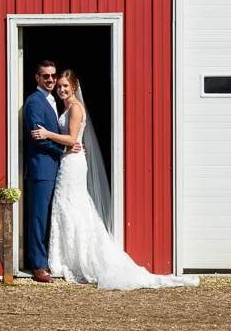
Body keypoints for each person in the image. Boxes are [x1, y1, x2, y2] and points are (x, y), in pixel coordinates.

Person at [31, 69, 200, 290]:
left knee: (72, 206)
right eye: (59, 86)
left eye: (65, 85)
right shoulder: (67, 107)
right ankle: (67, 258)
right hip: (69, 160)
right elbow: (73, 141)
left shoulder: (75, 108)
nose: (61, 89)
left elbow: (72, 139)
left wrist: (48, 134)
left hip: (72, 163)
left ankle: (79, 259)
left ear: (74, 86)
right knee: (68, 206)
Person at [20, 59, 64, 282]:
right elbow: (37, 137)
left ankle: (51, 260)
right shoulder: (34, 102)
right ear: (37, 78)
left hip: (55, 167)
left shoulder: (54, 100)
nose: (50, 80)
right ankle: (37, 265)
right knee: (38, 217)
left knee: (51, 215)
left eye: (53, 76)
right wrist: (64, 147)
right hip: (41, 168)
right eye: (45, 76)